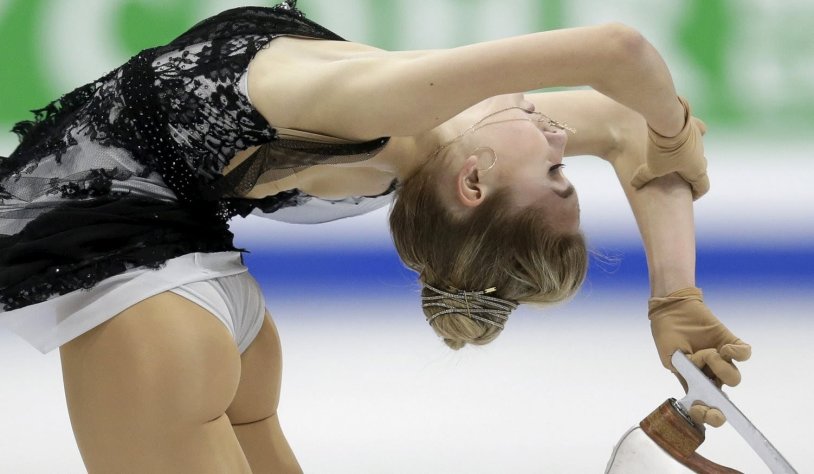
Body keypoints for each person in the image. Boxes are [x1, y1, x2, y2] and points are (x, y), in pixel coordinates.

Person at [0, 1, 750, 472]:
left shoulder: (391, 108)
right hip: (204, 304)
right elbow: (627, 123)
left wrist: (675, 143)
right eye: (565, 163)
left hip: (152, 300)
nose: (559, 136)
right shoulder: (444, 137)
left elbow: (620, 63)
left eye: (554, 170)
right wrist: (673, 293)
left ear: (476, 185)